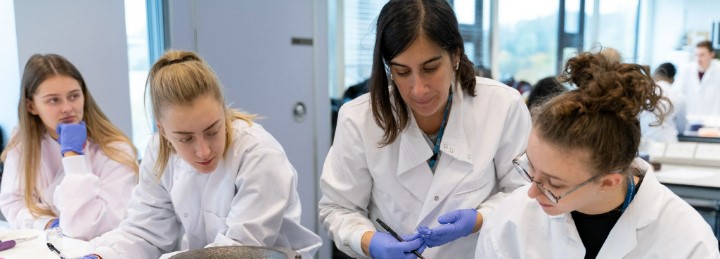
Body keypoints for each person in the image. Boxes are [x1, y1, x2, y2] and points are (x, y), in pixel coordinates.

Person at [318, 0, 531, 258]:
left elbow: (526, 195)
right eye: (402, 72)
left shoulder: (502, 106)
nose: (418, 89)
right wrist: (369, 241)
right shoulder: (359, 118)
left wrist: (479, 219)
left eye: (430, 68)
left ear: (455, 56)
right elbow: (337, 209)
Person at [476, 52, 720, 258]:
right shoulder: (509, 222)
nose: (531, 192)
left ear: (608, 181)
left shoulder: (687, 241)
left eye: (555, 184)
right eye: (530, 168)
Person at [84, 50, 321, 259]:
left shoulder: (258, 154)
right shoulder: (159, 150)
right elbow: (145, 233)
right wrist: (102, 255)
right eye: (185, 138)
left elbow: (238, 251)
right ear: (163, 130)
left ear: (223, 110)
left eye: (212, 130)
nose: (203, 150)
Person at [0, 54, 139, 240]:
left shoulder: (116, 150)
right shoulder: (22, 141)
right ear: (31, 106)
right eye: (53, 100)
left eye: (74, 96)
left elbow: (87, 228)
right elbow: (13, 203)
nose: (67, 108)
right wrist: (48, 224)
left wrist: (73, 156)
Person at [640, 62, 687, 145]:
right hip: (668, 143)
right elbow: (682, 126)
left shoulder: (644, 91)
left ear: (655, 75)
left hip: (645, 141)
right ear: (673, 79)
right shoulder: (679, 96)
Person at [675, 40, 720, 117]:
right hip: (690, 118)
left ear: (712, 54)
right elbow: (677, 93)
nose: (698, 59)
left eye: (702, 55)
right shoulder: (686, 70)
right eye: (696, 55)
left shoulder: (718, 69)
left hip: (714, 120)